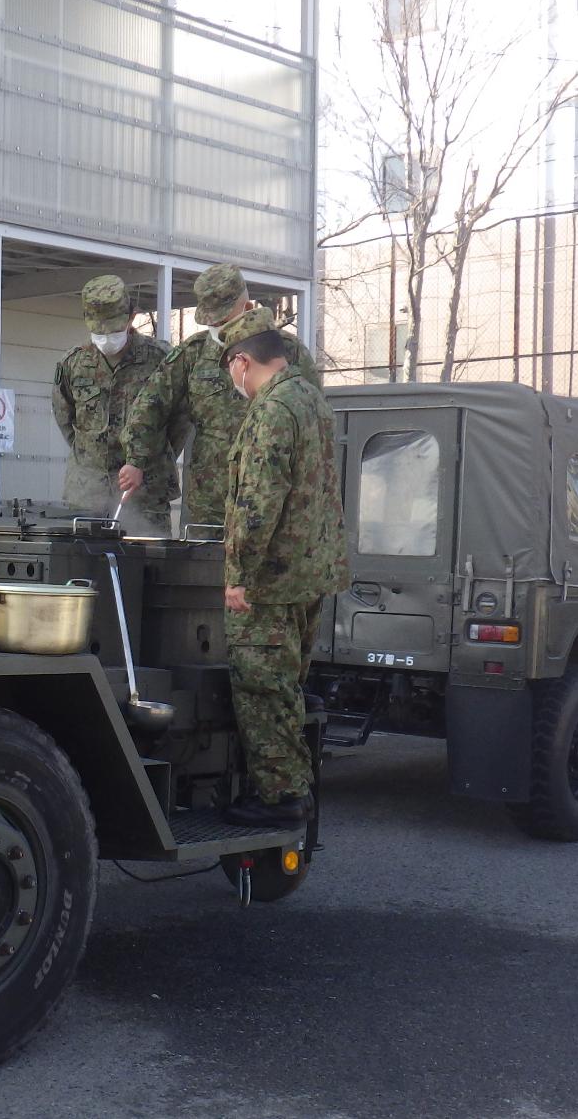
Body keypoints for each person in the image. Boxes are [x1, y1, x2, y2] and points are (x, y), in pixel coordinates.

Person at [217, 310, 348, 828]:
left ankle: (281, 797)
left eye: (231, 368)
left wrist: (238, 575)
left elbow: (258, 502)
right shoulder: (311, 399)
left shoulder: (272, 409)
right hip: (308, 573)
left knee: (262, 688)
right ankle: (295, 788)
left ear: (242, 362)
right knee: (288, 685)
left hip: (270, 580)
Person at [121, 264, 322, 528]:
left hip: (271, 498)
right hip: (209, 501)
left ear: (246, 307)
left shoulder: (285, 350)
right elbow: (150, 405)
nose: (218, 326)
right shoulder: (194, 353)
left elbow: (314, 416)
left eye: (224, 320)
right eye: (212, 321)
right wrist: (136, 460)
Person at [51, 274, 173, 533]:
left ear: (131, 317)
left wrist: (149, 456)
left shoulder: (161, 360)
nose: (106, 337)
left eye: (113, 330)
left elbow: (179, 422)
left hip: (145, 495)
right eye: (99, 331)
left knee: (148, 557)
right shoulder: (73, 363)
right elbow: (66, 419)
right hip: (88, 494)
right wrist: (93, 455)